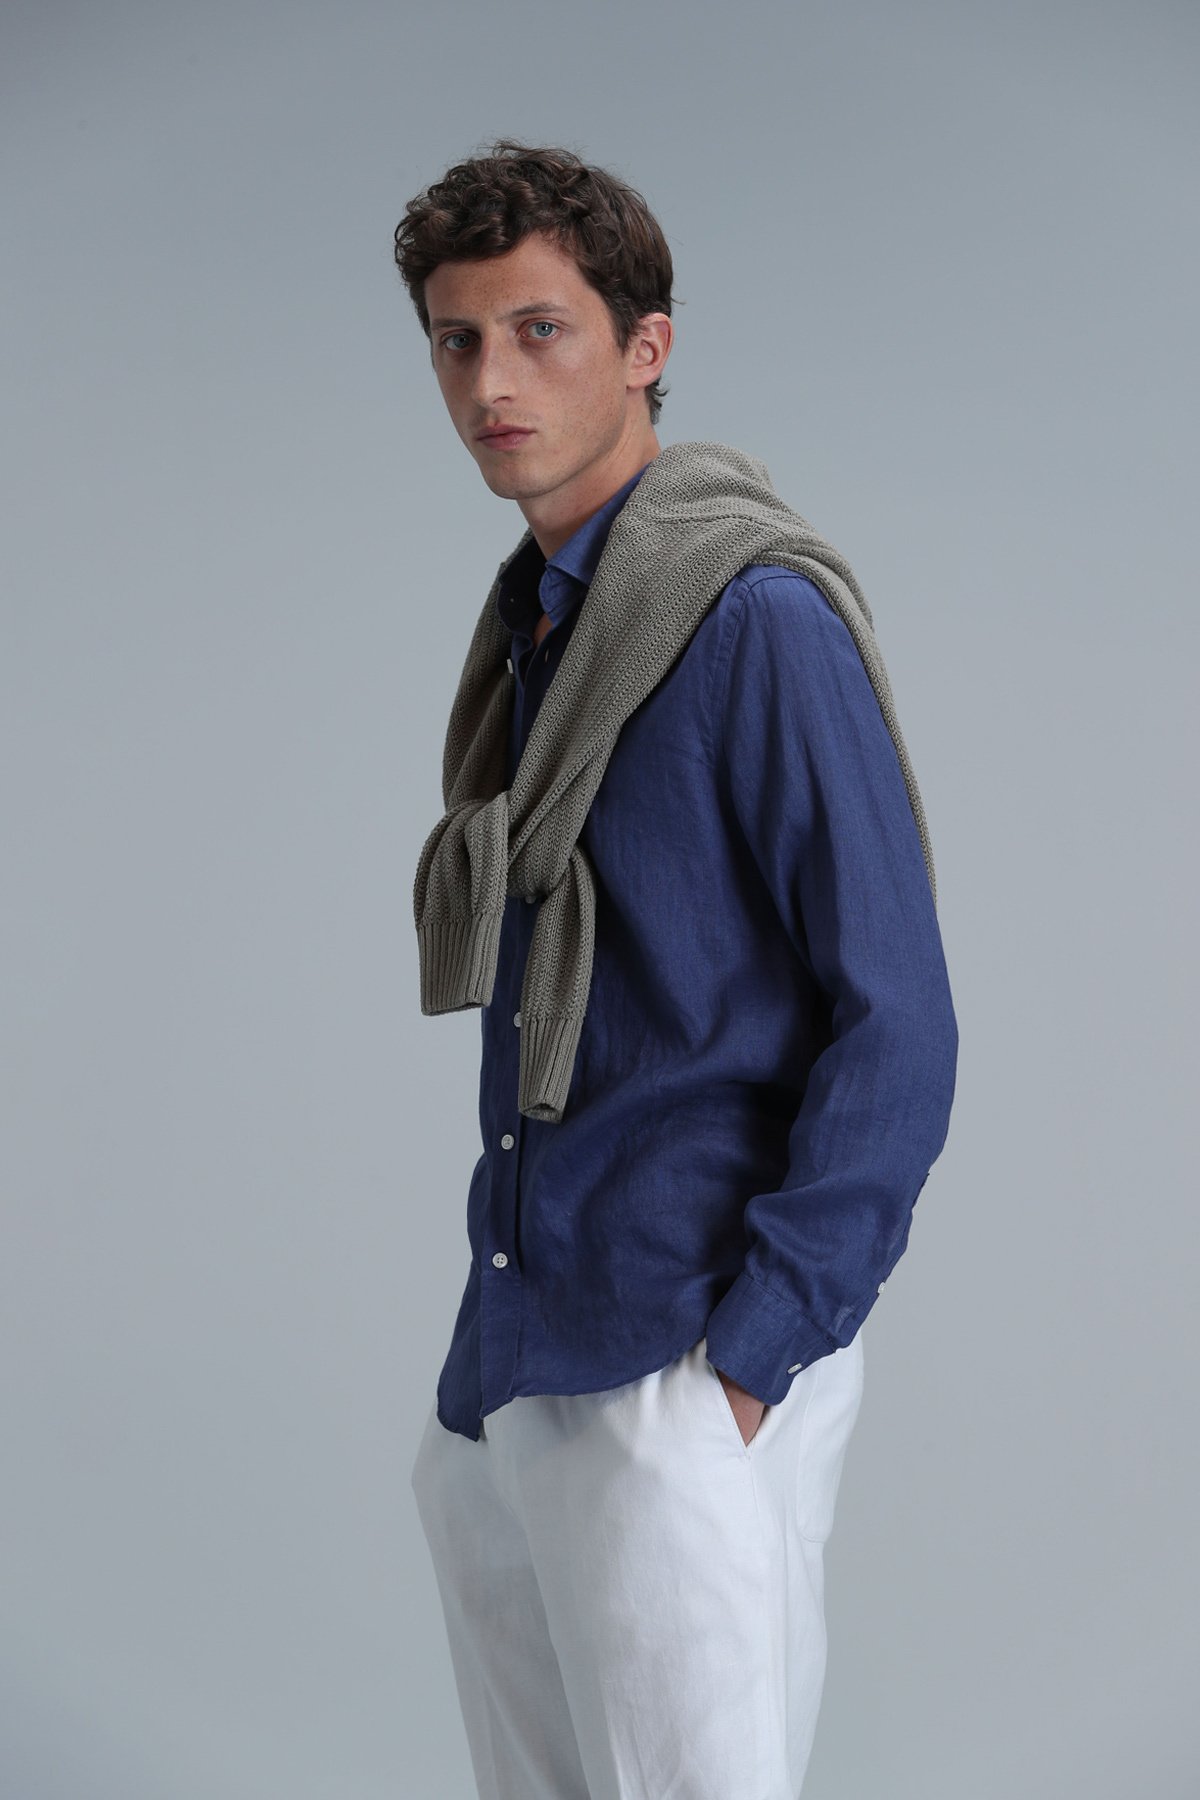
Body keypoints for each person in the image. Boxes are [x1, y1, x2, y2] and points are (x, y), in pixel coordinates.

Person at [394, 137, 958, 1800]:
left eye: (540, 330)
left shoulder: (748, 616)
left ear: (645, 347)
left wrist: (751, 1362)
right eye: (456, 340)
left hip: (674, 1352)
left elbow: (898, 1017)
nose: (492, 382)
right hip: (520, 1350)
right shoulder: (545, 630)